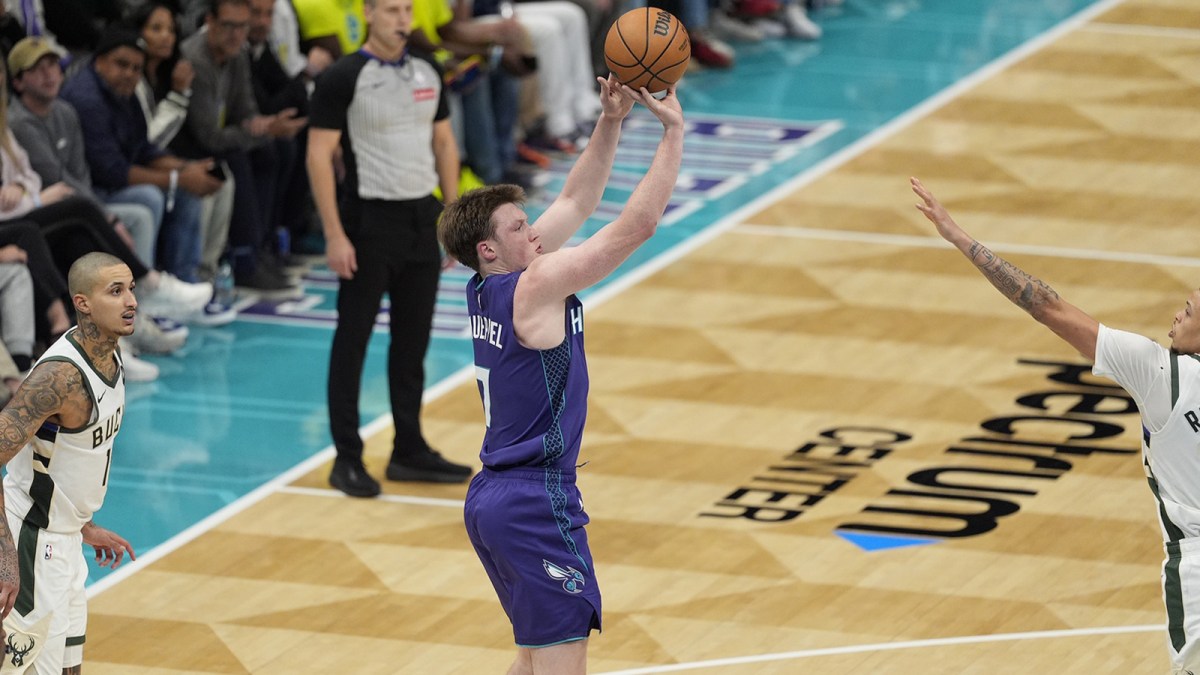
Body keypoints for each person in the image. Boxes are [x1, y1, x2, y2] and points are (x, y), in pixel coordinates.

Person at [437, 77, 682, 674]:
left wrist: (610, 120)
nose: (535, 233)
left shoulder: (487, 284)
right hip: (533, 499)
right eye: (520, 228)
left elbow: (575, 200)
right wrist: (672, 133)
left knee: (534, 659)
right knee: (560, 660)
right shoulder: (536, 284)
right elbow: (637, 226)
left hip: (494, 496)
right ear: (489, 248)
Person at [910, 176, 1200, 675]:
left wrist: (960, 238)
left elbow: (1045, 305)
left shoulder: (1160, 374)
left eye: (1189, 311)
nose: (1176, 315)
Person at [308, 0, 470, 497]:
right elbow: (318, 155)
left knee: (413, 342)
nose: (403, 19)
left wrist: (453, 219)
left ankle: (409, 449)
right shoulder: (343, 76)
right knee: (352, 342)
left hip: (422, 220)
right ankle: (347, 458)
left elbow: (444, 144)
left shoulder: (427, 70)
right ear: (369, 13)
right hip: (368, 223)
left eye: (407, 10)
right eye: (392, 10)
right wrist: (334, 234)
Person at [0, 251, 138, 674]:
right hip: (30, 543)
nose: (131, 301)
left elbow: (71, 459)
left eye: (131, 289)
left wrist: (83, 523)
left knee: (69, 668)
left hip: (65, 542)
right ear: (83, 303)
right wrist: (5, 558)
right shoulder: (58, 378)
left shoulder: (111, 355)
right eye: (116, 291)